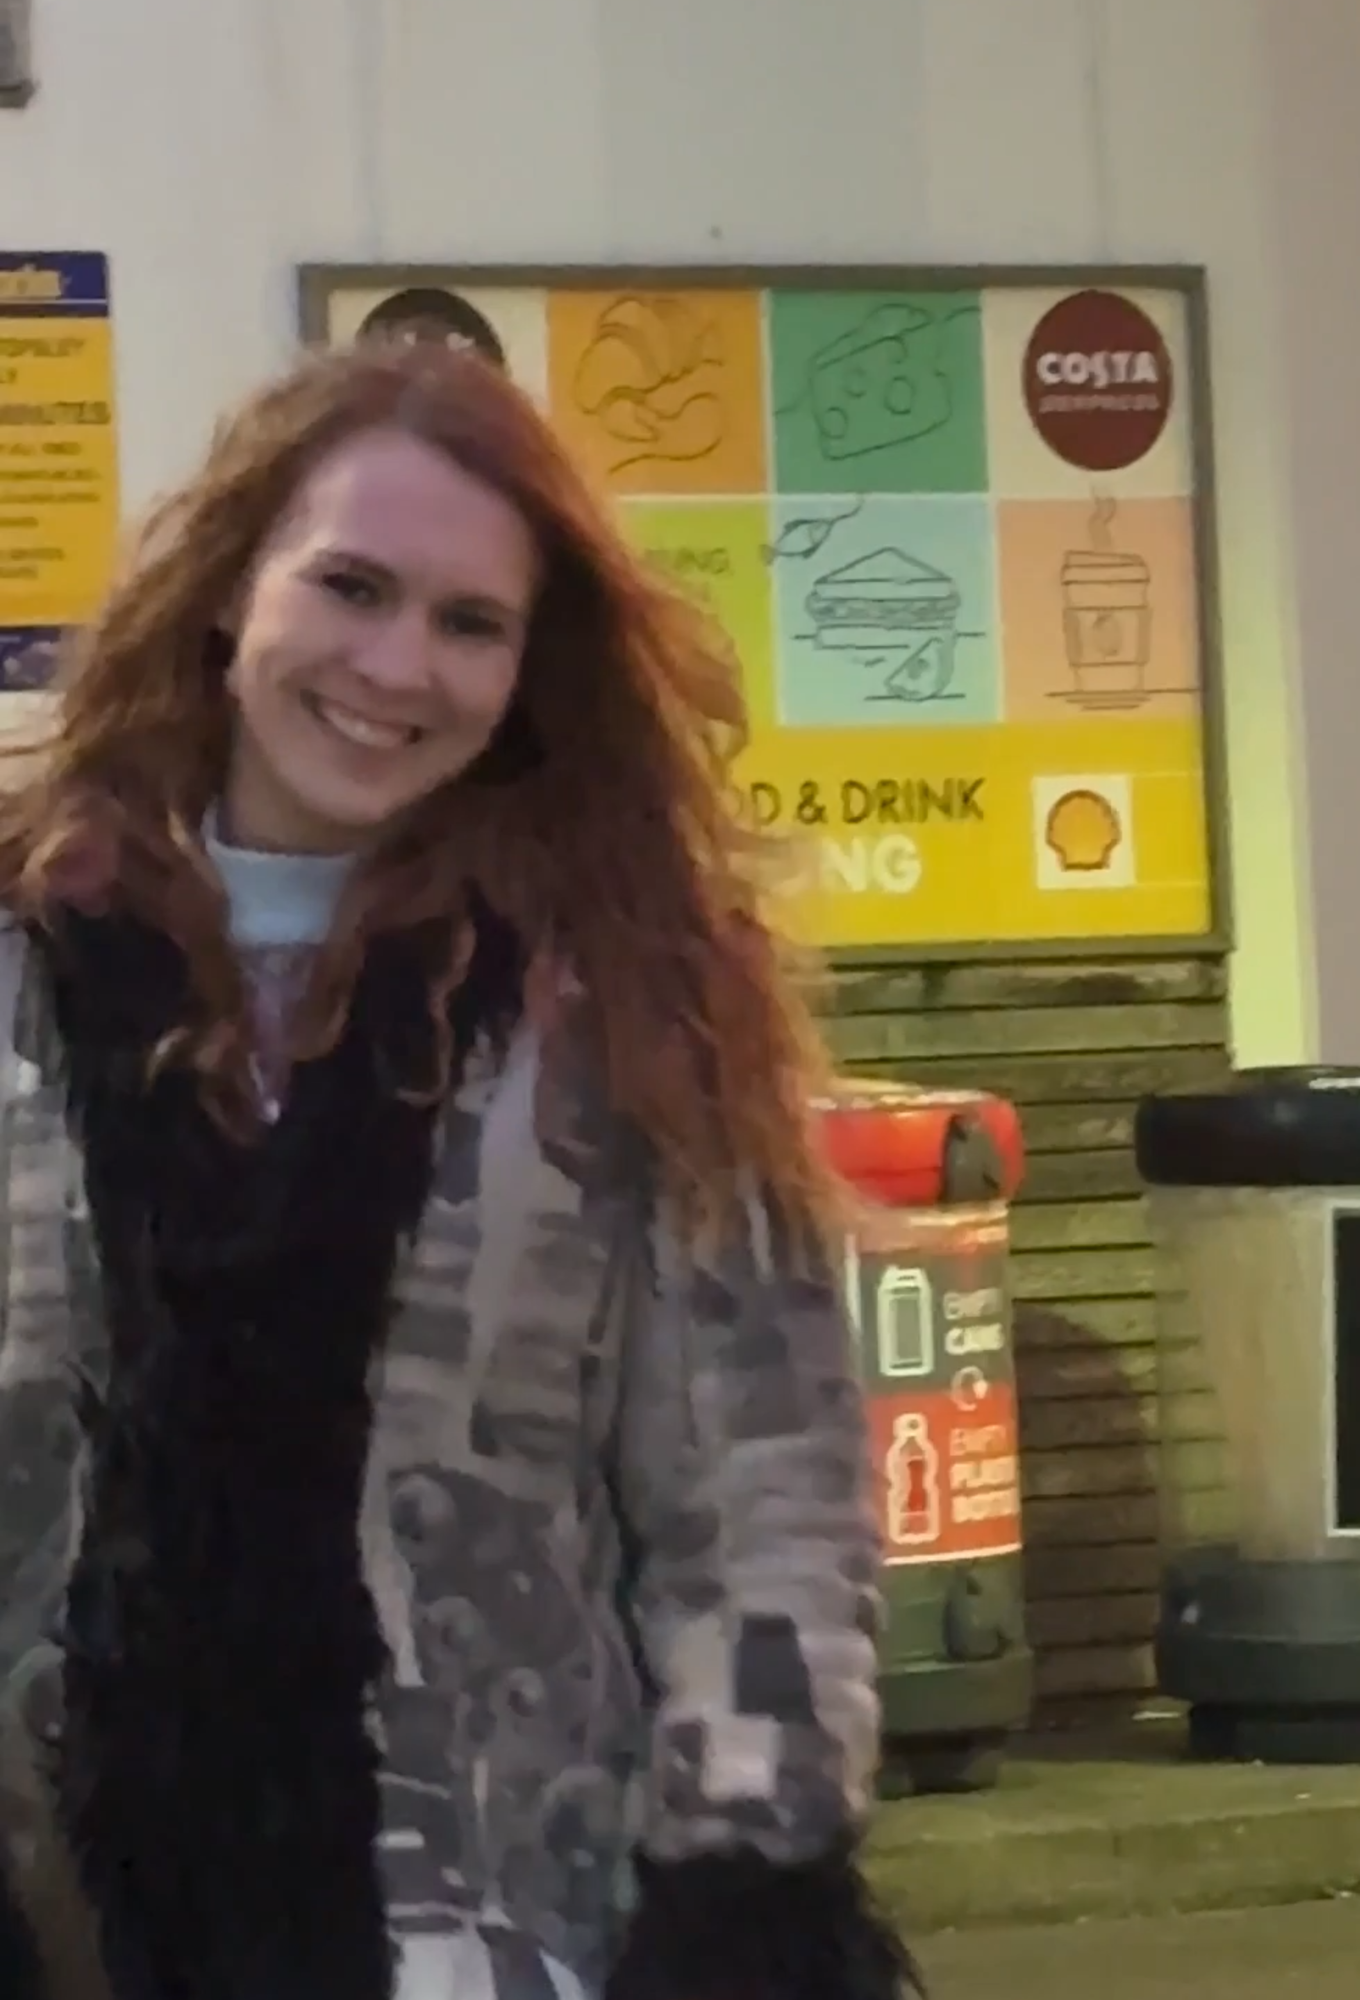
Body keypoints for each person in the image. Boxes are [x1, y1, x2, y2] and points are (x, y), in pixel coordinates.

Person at [0, 341, 920, 2000]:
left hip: (486, 1925)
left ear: (526, 668)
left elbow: (759, 1500)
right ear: (230, 593)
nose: (395, 665)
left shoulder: (626, 999)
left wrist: (745, 1889)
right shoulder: (26, 958)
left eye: (467, 622)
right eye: (350, 587)